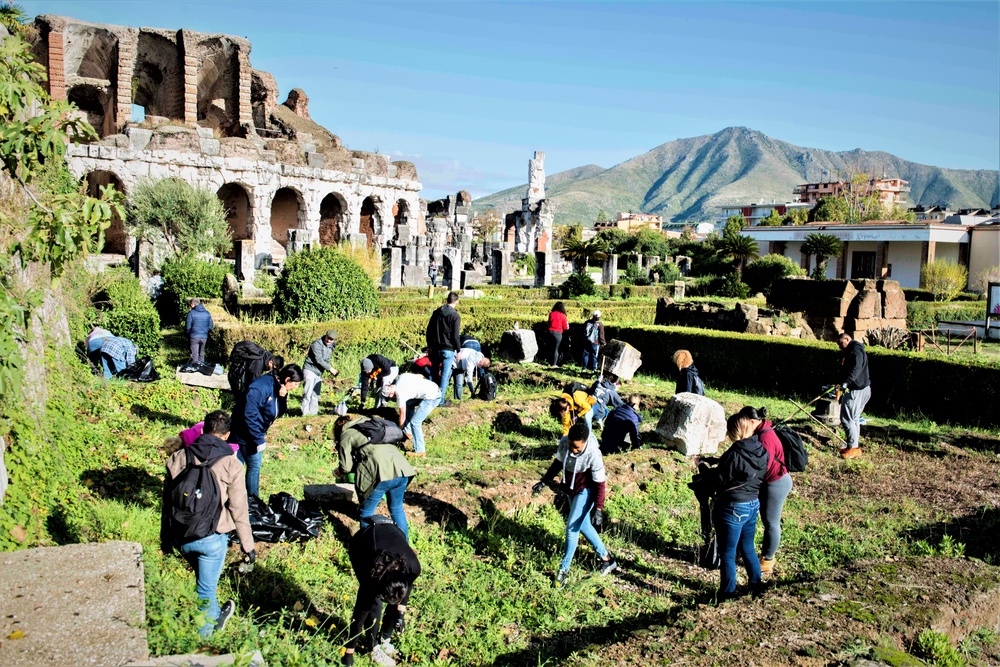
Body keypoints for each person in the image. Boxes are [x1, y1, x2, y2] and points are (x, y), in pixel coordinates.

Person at [160, 410, 255, 637]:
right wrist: (248, 545)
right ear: (227, 435)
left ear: (203, 430)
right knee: (205, 589)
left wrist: (165, 538)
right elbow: (238, 508)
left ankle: (215, 616)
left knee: (204, 583)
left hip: (182, 535)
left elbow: (167, 503)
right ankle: (205, 639)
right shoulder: (231, 464)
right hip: (212, 539)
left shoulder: (178, 458)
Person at [532, 422, 617, 587]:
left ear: (585, 442)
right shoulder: (565, 443)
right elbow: (557, 463)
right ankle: (607, 559)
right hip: (571, 489)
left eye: (577, 448)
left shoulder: (593, 454)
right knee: (583, 526)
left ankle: (563, 571)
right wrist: (544, 481)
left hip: (586, 490)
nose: (573, 449)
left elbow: (600, 484)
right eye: (571, 445)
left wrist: (598, 509)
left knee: (572, 527)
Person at [343, 519, 421, 667]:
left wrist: (400, 614)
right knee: (373, 603)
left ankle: (386, 638)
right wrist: (349, 653)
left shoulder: (413, 566)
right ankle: (372, 646)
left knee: (396, 596)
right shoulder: (371, 577)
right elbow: (358, 617)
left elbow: (407, 587)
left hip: (391, 531)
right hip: (362, 544)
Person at [712, 408, 768, 600]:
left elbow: (720, 481)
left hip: (733, 507)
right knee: (748, 547)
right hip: (753, 503)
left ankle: (728, 592)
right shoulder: (761, 450)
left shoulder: (734, 453)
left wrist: (703, 466)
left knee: (727, 553)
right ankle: (756, 584)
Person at [334, 415, 417, 540]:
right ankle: (404, 545)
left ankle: (369, 548)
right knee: (396, 508)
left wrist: (339, 472)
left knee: (366, 513)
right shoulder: (370, 426)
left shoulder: (346, 434)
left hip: (381, 474)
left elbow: (346, 467)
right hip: (402, 469)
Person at [230, 364, 304, 496]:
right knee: (254, 464)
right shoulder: (260, 388)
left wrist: (282, 397)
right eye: (296, 384)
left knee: (237, 465)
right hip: (244, 431)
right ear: (287, 379)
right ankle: (253, 500)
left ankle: (235, 494)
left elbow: (279, 412)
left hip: (256, 430)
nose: (296, 388)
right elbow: (249, 415)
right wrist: (258, 439)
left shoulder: (279, 388)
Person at [747, 406, 792, 574]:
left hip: (776, 483)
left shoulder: (765, 437)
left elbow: (761, 466)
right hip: (773, 480)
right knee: (768, 521)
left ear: (752, 421)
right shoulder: (764, 430)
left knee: (771, 522)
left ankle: (767, 559)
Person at [381, 373, 441, 458]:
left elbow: (402, 416)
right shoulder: (401, 377)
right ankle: (408, 432)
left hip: (433, 397)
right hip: (434, 387)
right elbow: (420, 376)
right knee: (408, 403)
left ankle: (420, 451)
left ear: (391, 394)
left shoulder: (400, 395)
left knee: (415, 422)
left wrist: (399, 431)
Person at [836, 332, 870, 460]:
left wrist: (846, 382)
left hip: (857, 390)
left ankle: (853, 448)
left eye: (841, 343)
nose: (840, 346)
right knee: (854, 418)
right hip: (862, 388)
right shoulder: (852, 350)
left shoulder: (855, 351)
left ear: (847, 338)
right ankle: (853, 446)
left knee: (846, 418)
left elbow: (856, 369)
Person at [426, 292, 461, 407]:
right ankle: (440, 400)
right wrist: (459, 350)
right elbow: (455, 336)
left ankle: (429, 397)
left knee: (433, 373)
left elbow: (429, 331)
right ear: (456, 301)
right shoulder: (455, 316)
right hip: (448, 349)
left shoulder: (436, 313)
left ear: (447, 300)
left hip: (435, 347)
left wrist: (429, 346)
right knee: (445, 376)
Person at [302, 330, 340, 416]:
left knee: (315, 394)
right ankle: (305, 414)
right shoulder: (316, 344)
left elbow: (326, 360)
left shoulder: (331, 346)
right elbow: (318, 359)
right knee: (307, 393)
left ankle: (313, 414)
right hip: (309, 370)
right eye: (328, 338)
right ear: (325, 336)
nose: (329, 341)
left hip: (318, 373)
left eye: (331, 339)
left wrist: (331, 370)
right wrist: (330, 369)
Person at [185, 298, 214, 365]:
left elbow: (188, 326)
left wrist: (189, 334)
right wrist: (205, 331)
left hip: (194, 336)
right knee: (201, 353)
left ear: (193, 304)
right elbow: (211, 325)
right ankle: (201, 367)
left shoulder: (191, 313)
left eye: (190, 305)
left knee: (194, 354)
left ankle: (195, 369)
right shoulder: (207, 313)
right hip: (204, 336)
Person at [547, 301, 570, 367]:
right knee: (556, 349)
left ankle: (549, 362)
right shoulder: (563, 315)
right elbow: (566, 327)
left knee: (550, 348)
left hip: (550, 331)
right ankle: (554, 364)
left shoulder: (551, 314)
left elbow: (549, 323)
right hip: (558, 333)